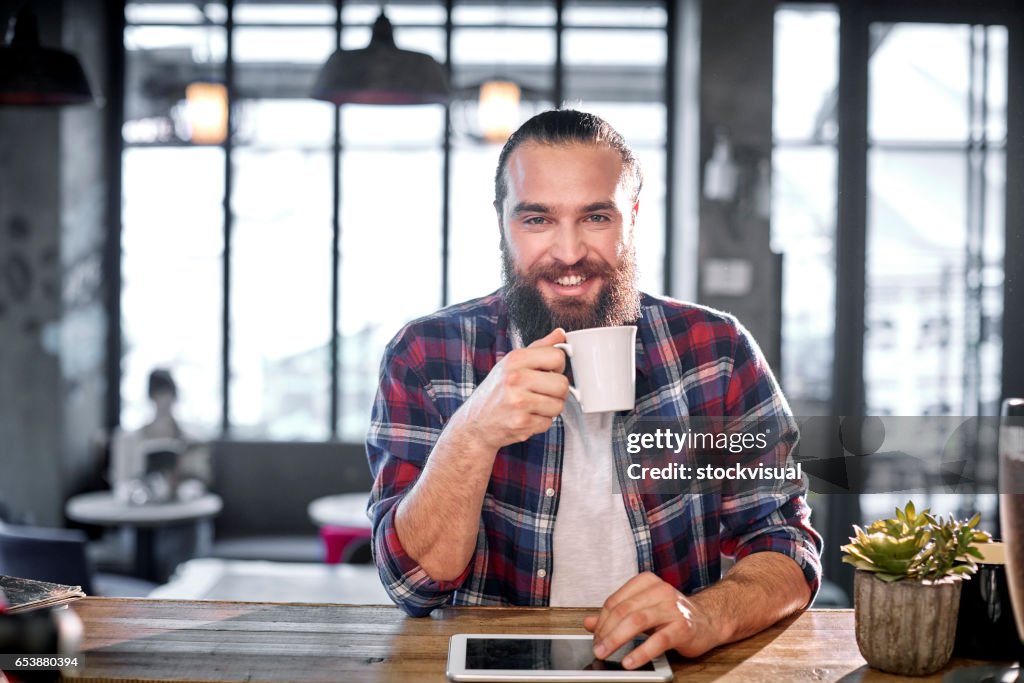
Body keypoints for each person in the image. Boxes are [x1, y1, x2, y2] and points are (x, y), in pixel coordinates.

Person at [366, 110, 822, 669]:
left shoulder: (715, 350)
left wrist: (705, 615)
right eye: (537, 220)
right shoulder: (425, 354)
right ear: (503, 222)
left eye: (596, 217)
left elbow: (784, 542)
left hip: (665, 671)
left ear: (630, 216)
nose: (568, 253)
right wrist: (472, 434)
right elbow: (412, 585)